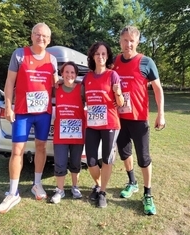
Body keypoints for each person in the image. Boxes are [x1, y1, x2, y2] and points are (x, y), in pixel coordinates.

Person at [0, 22, 58, 213]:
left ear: (49, 40)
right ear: (32, 36)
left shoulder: (52, 60)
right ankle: (13, 192)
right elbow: (9, 81)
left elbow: (57, 84)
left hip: (43, 113)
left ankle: (36, 184)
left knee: (41, 147)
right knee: (17, 150)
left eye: (45, 36)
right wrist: (8, 106)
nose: (42, 38)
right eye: (38, 35)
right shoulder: (20, 54)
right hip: (22, 112)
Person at [113, 25, 165, 215]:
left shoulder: (146, 62)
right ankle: (132, 182)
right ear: (120, 41)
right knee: (125, 154)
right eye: (125, 40)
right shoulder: (115, 61)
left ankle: (148, 193)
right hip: (120, 119)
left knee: (144, 158)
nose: (128, 44)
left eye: (132, 41)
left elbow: (158, 89)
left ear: (137, 42)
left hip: (139, 119)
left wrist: (161, 113)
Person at [83, 41, 124, 208]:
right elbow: (82, 98)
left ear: (107, 57)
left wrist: (118, 92)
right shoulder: (87, 77)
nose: (100, 57)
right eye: (97, 54)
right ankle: (99, 184)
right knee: (91, 161)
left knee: (107, 159)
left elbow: (120, 103)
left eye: (104, 54)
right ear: (93, 56)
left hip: (110, 124)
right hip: (92, 124)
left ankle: (102, 192)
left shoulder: (113, 75)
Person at [50, 61, 85, 204]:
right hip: (61, 133)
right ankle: (60, 190)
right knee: (60, 162)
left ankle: (75, 187)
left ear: (76, 75)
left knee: (76, 162)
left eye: (72, 72)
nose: (69, 75)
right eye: (67, 72)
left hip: (77, 133)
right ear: (62, 73)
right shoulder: (56, 88)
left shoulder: (81, 88)